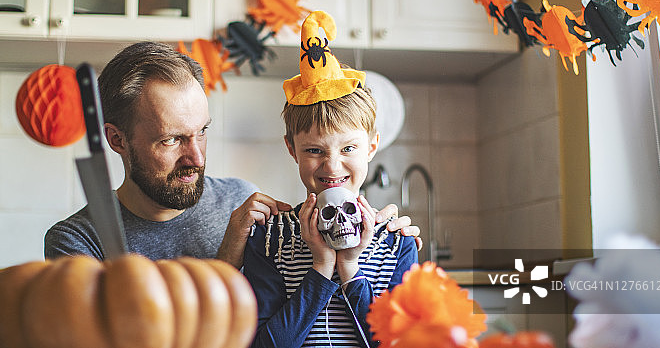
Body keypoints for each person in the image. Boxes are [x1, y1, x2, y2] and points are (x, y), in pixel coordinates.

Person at [45, 41, 420, 268]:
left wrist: (380, 240)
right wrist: (227, 259)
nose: (196, 157)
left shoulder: (242, 202)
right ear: (118, 140)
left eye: (202, 132)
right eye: (172, 140)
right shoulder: (78, 241)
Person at [244, 11, 418, 348]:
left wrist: (351, 269)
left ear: (372, 147)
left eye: (348, 148)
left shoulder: (397, 242)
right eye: (314, 150)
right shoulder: (269, 239)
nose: (332, 166)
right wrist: (322, 267)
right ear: (292, 149)